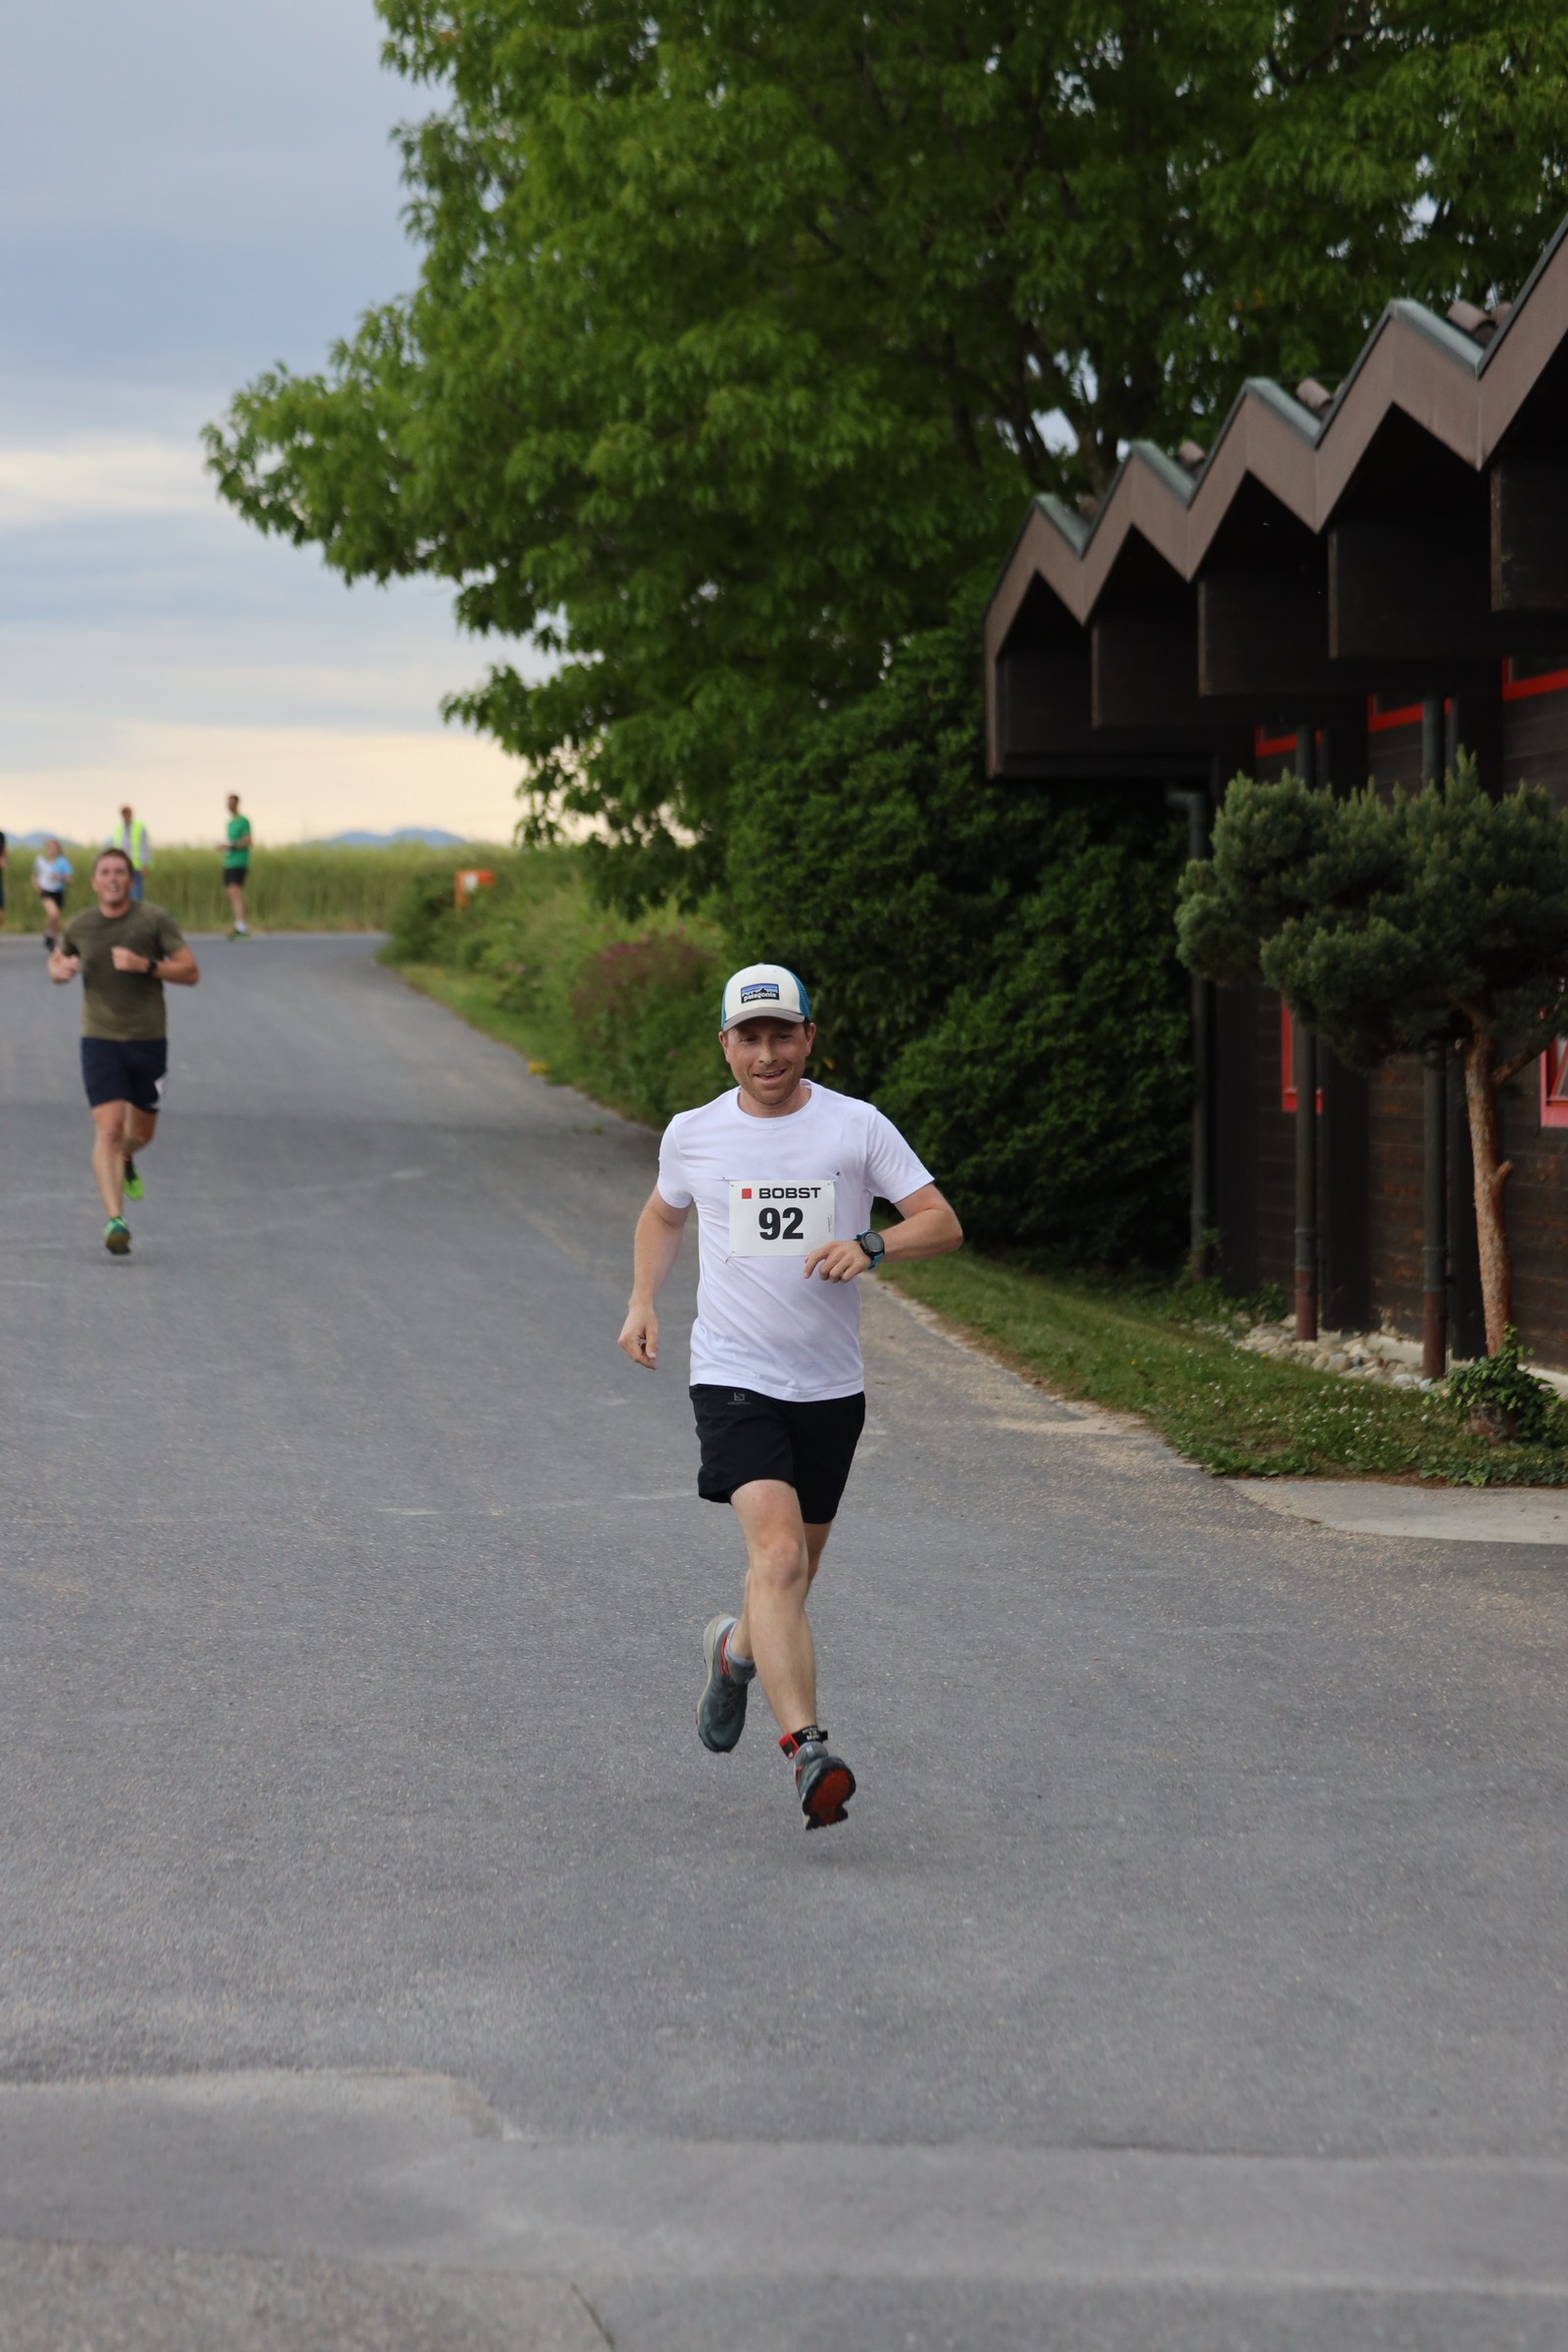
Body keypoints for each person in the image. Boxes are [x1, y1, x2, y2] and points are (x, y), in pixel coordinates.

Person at [618, 963, 963, 1831]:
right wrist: (642, 1300)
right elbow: (662, 1215)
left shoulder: (855, 1127)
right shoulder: (695, 1133)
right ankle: (808, 1752)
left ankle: (733, 1654)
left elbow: (942, 1221)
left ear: (809, 1038)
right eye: (750, 1038)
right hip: (732, 1376)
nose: (766, 1054)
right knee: (775, 1559)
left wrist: (872, 1246)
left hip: (829, 1387)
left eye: (782, 1035)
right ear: (725, 1045)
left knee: (791, 1577)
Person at [49, 846, 199, 1255]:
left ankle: (126, 1159)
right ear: (94, 882)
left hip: (148, 1040)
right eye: (105, 872)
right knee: (110, 1130)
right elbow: (57, 961)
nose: (113, 879)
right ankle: (115, 1220)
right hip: (99, 1039)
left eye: (120, 872)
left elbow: (190, 971)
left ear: (130, 881)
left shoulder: (153, 920)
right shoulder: (81, 925)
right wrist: (60, 971)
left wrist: (146, 965)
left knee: (140, 1133)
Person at [31, 838, 73, 955]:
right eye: (50, 848)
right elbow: (34, 875)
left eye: (54, 848)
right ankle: (51, 936)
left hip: (58, 892)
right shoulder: (40, 861)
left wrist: (60, 877)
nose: (52, 850)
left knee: (55, 917)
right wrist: (37, 887)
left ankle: (52, 937)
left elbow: (69, 878)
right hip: (46, 891)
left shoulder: (62, 862)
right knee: (54, 913)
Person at [219, 793, 252, 936]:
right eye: (228, 803)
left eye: (232, 802)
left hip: (239, 862)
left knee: (235, 892)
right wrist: (224, 847)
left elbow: (248, 841)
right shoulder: (230, 822)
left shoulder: (243, 821)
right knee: (231, 894)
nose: (229, 805)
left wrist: (231, 845)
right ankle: (238, 923)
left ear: (237, 804)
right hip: (229, 862)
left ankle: (241, 926)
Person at [108, 805, 151, 902]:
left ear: (131, 814)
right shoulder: (118, 829)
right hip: (122, 867)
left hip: (135, 867)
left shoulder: (139, 827)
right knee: (122, 895)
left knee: (135, 896)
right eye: (124, 814)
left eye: (128, 813)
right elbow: (116, 847)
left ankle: (136, 911)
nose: (126, 816)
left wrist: (145, 864)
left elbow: (144, 846)